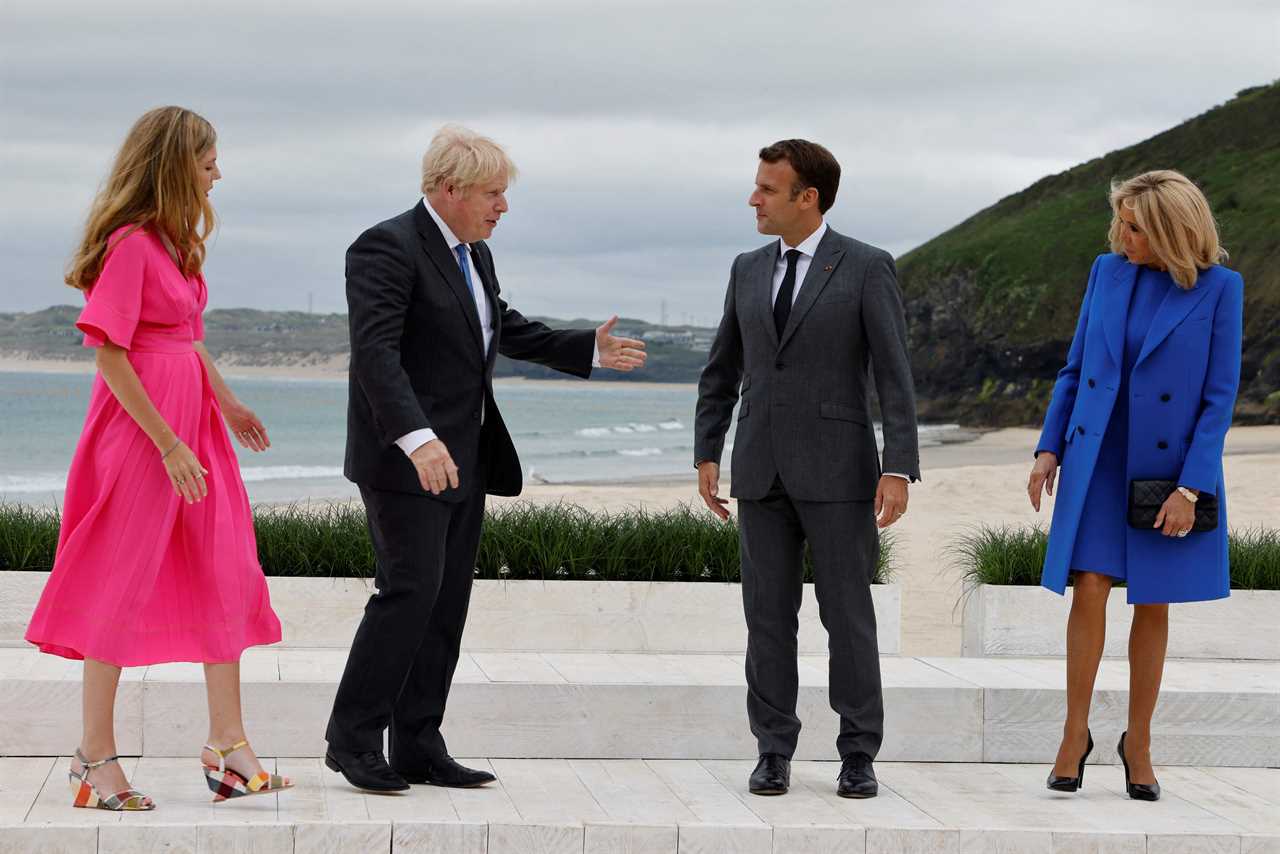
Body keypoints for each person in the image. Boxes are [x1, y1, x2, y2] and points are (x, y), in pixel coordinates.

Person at [323, 125, 647, 792]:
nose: (504, 207)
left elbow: (505, 326)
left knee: (446, 602)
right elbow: (377, 354)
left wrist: (586, 348)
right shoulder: (385, 247)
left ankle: (416, 742)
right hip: (404, 459)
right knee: (408, 592)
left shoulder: (474, 255)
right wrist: (417, 437)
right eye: (494, 194)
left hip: (467, 455)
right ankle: (352, 741)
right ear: (451, 190)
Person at [24, 106, 291, 810]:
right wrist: (167, 442)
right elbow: (111, 353)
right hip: (144, 438)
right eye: (208, 161)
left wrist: (226, 405)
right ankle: (93, 757)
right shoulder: (132, 245)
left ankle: (229, 746)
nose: (217, 173)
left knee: (225, 570)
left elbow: (187, 339)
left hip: (193, 428)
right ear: (177, 164)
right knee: (117, 582)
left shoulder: (175, 246)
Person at [694, 139, 920, 798]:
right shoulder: (745, 268)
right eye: (756, 185)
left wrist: (899, 465)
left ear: (807, 198)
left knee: (847, 616)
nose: (753, 198)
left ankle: (858, 752)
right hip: (759, 469)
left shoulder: (867, 267)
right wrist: (709, 450)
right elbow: (722, 369)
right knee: (766, 617)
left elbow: (893, 376)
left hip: (841, 471)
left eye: (767, 188)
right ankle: (772, 749)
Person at [1029, 170, 1243, 802]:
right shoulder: (1107, 271)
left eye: (1134, 226)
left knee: (1153, 599)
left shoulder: (1220, 289)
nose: (1121, 235)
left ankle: (1139, 743)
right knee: (1088, 587)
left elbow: (1218, 397)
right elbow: (1075, 368)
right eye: (1121, 223)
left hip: (1168, 468)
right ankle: (1074, 735)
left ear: (1173, 232)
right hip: (1097, 452)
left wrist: (1193, 487)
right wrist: (1048, 447)